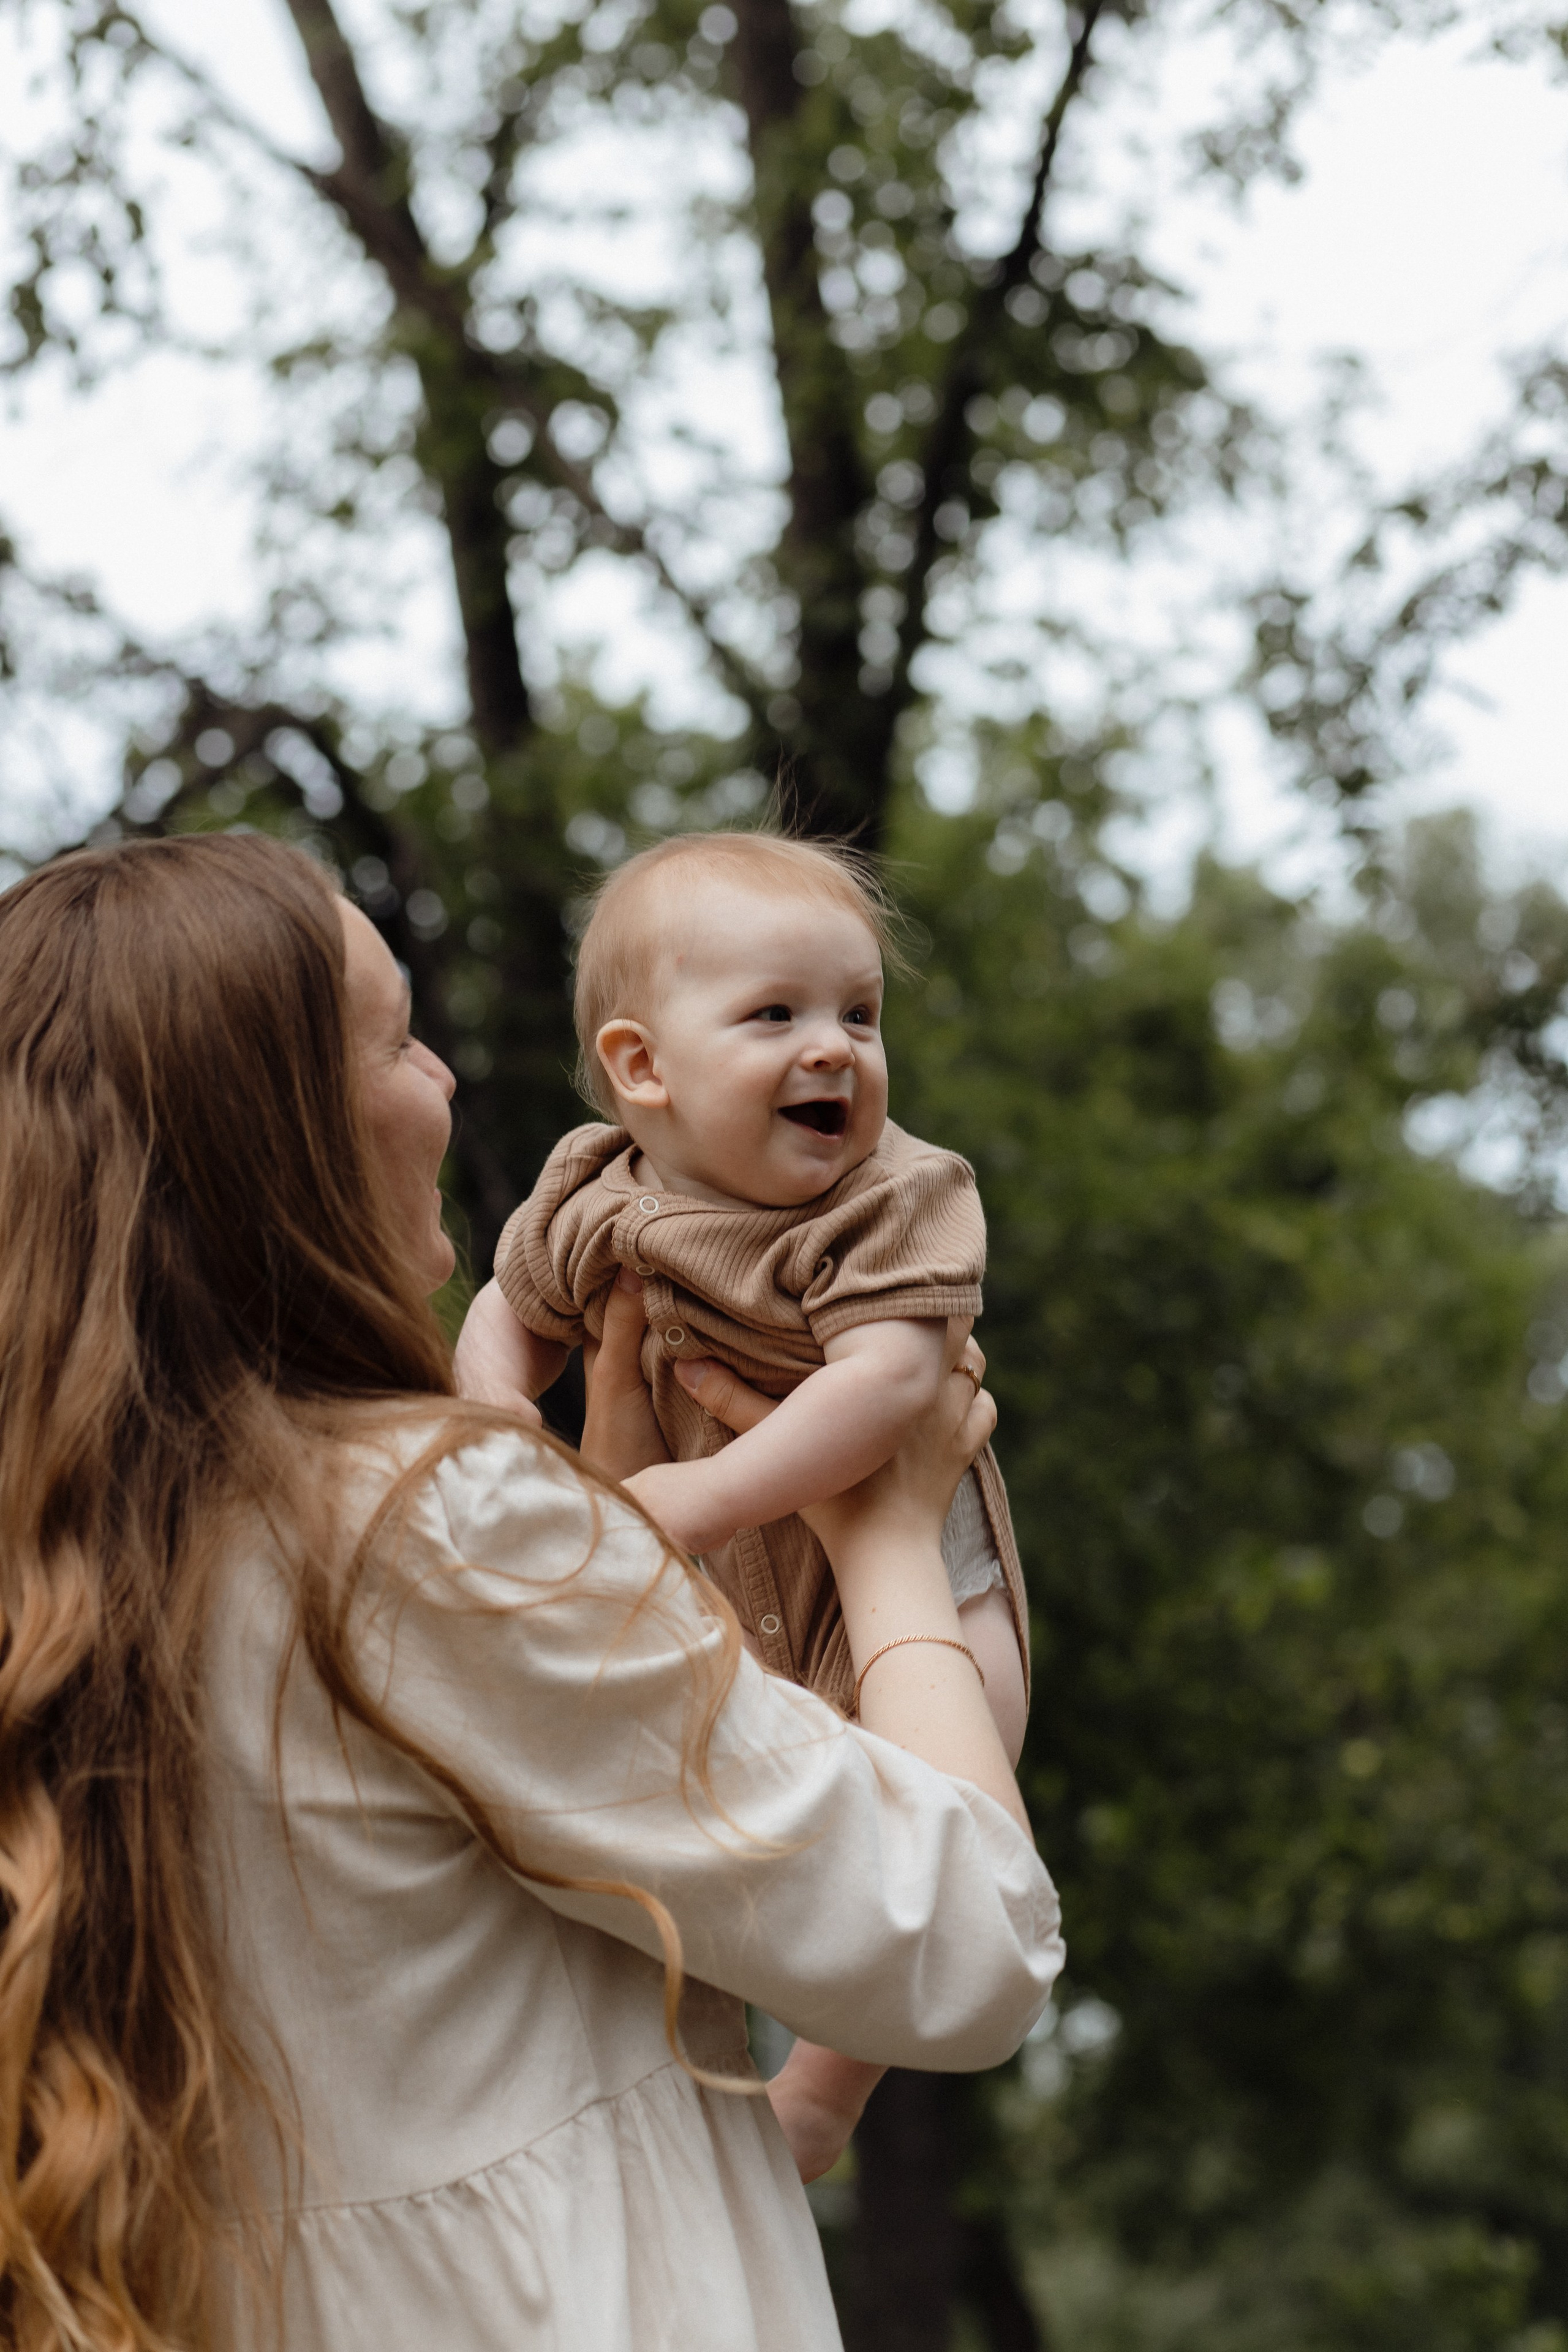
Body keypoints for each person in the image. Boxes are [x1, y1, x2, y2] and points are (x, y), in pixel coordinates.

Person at [0, 831, 1062, 2352]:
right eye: (397, 1040)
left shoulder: (86, 1552)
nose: (441, 1084)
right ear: (279, 1135)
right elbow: (962, 1943)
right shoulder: (407, 1529)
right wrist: (882, 1527)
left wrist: (587, 1510)